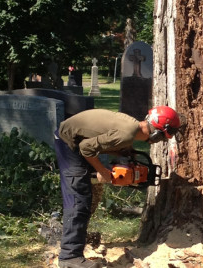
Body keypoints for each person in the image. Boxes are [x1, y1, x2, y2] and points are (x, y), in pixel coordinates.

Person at [54, 106, 181, 268]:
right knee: (78, 198)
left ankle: (75, 237)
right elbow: (85, 148)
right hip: (68, 142)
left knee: (87, 196)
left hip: (76, 140)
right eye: (162, 137)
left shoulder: (132, 126)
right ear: (156, 133)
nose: (160, 140)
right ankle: (68, 256)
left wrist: (121, 152)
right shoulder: (127, 134)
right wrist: (102, 171)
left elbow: (99, 137)